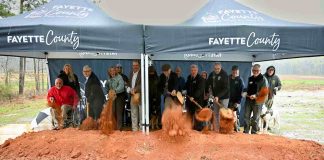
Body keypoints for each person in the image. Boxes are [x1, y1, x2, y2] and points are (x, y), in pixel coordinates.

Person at [243, 64, 269, 134]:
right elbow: (247, 88)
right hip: (248, 100)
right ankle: (246, 131)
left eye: (257, 70)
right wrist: (244, 92)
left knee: (255, 118)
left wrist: (255, 95)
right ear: (252, 70)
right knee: (246, 117)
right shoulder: (250, 78)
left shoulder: (263, 79)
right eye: (254, 70)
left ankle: (254, 132)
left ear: (260, 71)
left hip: (258, 101)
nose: (255, 71)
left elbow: (264, 91)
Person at [206, 62, 230, 131]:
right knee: (216, 113)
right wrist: (207, 92)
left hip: (224, 97)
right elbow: (207, 83)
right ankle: (216, 130)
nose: (217, 70)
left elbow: (226, 88)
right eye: (215, 69)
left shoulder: (224, 75)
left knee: (223, 113)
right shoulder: (212, 74)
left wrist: (218, 96)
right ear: (213, 68)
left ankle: (223, 129)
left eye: (218, 69)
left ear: (221, 68)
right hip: (215, 97)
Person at [185, 64, 205, 130]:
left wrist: (194, 97)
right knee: (189, 117)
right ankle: (190, 130)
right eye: (192, 70)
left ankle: (198, 131)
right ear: (190, 71)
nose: (193, 72)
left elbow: (200, 90)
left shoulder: (201, 79)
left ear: (197, 70)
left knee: (198, 118)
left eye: (195, 70)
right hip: (189, 102)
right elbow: (186, 87)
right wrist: (184, 91)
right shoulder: (189, 78)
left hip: (197, 102)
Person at [105, 66, 125, 131]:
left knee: (119, 113)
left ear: (115, 71)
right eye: (111, 71)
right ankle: (114, 128)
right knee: (113, 112)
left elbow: (121, 86)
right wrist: (108, 92)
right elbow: (106, 86)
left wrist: (114, 91)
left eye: (113, 70)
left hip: (119, 96)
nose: (112, 72)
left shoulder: (119, 77)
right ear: (109, 72)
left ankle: (119, 129)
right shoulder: (109, 79)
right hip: (112, 97)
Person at [228, 65, 245, 132]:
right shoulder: (228, 78)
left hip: (236, 101)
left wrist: (238, 102)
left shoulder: (240, 80)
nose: (235, 72)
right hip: (228, 101)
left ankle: (237, 129)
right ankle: (229, 128)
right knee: (228, 115)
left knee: (235, 115)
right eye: (233, 71)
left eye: (236, 71)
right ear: (232, 71)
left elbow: (242, 92)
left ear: (238, 72)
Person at [127, 60, 141, 131]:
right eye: (133, 65)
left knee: (141, 112)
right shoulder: (130, 73)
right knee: (133, 112)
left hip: (140, 95)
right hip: (132, 95)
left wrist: (135, 89)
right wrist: (129, 89)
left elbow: (142, 85)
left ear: (139, 65)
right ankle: (135, 129)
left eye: (136, 65)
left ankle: (141, 128)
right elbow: (129, 84)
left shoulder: (142, 73)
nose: (135, 67)